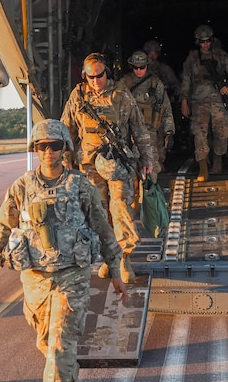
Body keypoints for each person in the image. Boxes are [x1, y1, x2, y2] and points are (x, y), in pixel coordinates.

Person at [0, 119, 127, 382]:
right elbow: (2, 225)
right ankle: (66, 373)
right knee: (48, 345)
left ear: (66, 149)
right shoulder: (21, 187)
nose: (49, 152)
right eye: (42, 146)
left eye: (55, 146)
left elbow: (102, 227)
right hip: (35, 280)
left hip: (72, 277)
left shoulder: (80, 185)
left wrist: (116, 269)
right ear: (35, 150)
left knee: (61, 347)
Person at [60, 52, 156, 283]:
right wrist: (65, 160)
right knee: (99, 213)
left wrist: (147, 159)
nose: (95, 81)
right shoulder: (78, 95)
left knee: (120, 207)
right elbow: (67, 129)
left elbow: (139, 128)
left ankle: (124, 259)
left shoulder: (121, 94)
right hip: (90, 165)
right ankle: (110, 259)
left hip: (118, 161)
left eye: (100, 75)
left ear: (107, 73)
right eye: (91, 77)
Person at [180, 24, 228, 181]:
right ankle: (203, 167)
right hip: (199, 100)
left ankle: (218, 160)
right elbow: (186, 80)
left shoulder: (221, 56)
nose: (205, 45)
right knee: (199, 132)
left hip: (218, 99)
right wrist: (184, 101)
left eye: (208, 41)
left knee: (223, 130)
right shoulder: (192, 58)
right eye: (202, 42)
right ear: (197, 42)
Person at [122, 50, 175, 178]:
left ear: (147, 66)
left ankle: (149, 195)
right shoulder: (124, 83)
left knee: (151, 167)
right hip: (128, 131)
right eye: (135, 67)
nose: (138, 70)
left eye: (142, 67)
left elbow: (166, 108)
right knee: (130, 168)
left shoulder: (156, 84)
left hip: (149, 130)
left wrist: (169, 131)